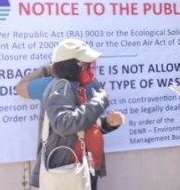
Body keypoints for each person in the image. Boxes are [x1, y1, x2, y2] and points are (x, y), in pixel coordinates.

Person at [16, 38, 124, 189]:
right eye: (86, 64)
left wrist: (106, 124)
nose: (90, 68)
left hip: (84, 169)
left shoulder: (78, 87)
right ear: (72, 65)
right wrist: (99, 102)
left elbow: (82, 122)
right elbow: (64, 124)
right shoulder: (61, 87)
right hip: (67, 172)